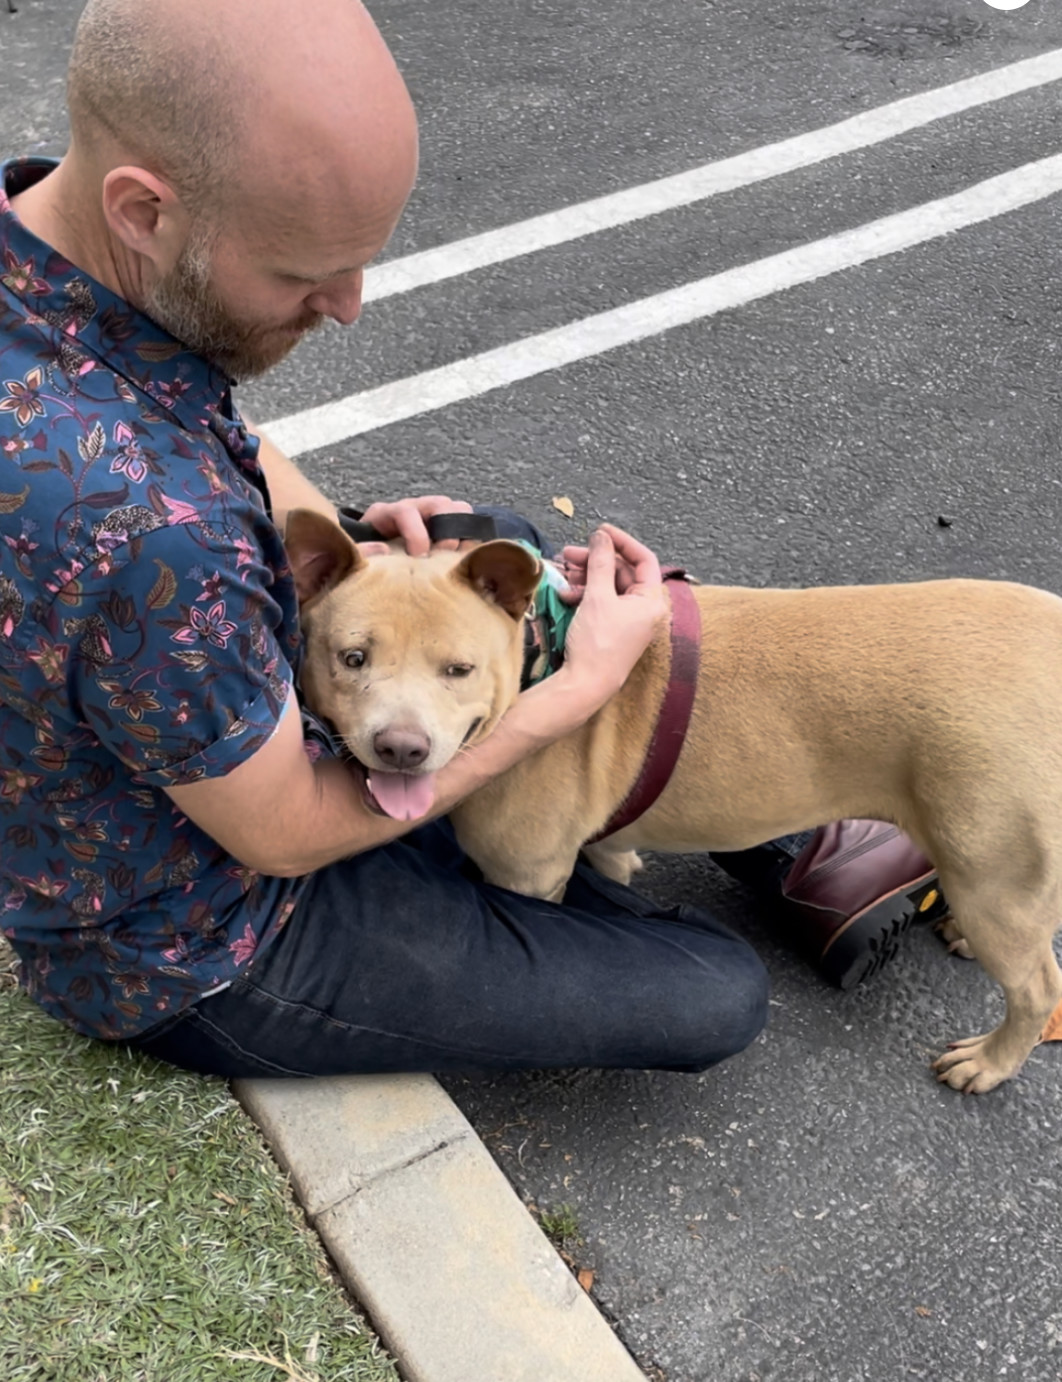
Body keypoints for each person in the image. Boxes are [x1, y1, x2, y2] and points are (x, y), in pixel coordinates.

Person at [0, 0, 940, 1080]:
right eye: (305, 273)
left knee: (497, 549)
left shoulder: (53, 256)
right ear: (143, 211)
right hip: (205, 923)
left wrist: (358, 550)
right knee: (714, 989)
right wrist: (570, 694)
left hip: (191, 698)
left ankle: (728, 813)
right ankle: (601, 837)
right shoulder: (150, 538)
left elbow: (224, 442)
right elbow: (287, 830)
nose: (348, 306)